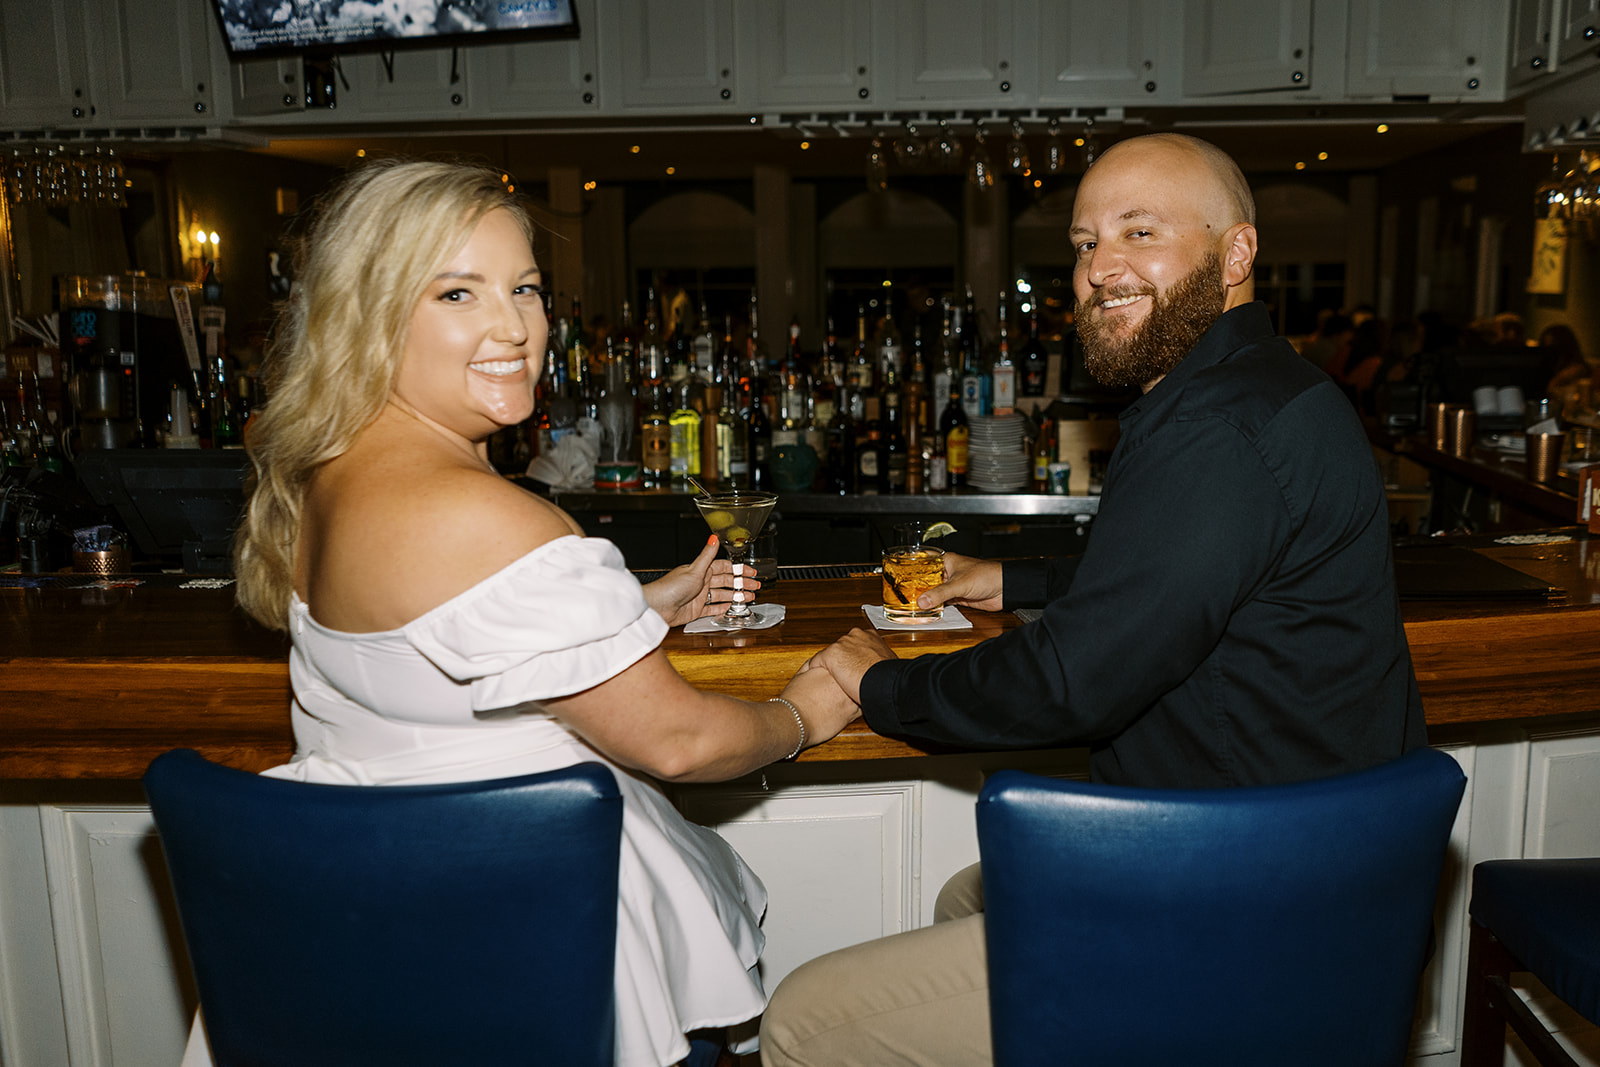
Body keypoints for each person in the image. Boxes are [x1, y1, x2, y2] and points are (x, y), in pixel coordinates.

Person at [759, 133, 1427, 1067]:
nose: (1100, 266)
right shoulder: (1264, 391)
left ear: (1235, 255)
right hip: (1316, 864)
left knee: (800, 1019)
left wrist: (883, 685)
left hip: (1241, 905)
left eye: (1140, 231)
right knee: (969, 894)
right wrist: (1016, 579)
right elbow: (1192, 579)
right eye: (1082, 242)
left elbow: (1071, 681)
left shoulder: (1217, 428)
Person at [220, 159, 859, 1067]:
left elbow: (420, 650)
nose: (513, 327)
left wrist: (628, 612)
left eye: (525, 288)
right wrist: (807, 711)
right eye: (457, 292)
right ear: (367, 315)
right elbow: (681, 744)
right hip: (532, 948)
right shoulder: (489, 516)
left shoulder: (325, 481)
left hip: (389, 940)